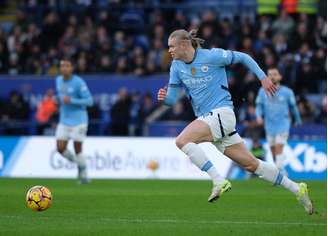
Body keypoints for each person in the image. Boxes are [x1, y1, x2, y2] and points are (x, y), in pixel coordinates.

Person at [157, 29, 313, 214]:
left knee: (182, 141)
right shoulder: (176, 66)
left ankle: (218, 180)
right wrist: (164, 98)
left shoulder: (212, 56)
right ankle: (297, 188)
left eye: (172, 46)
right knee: (252, 165)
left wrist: (263, 78)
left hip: (222, 113)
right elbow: (172, 98)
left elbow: (244, 58)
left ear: (183, 45)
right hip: (209, 119)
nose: (170, 51)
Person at [255, 67, 302, 173]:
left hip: (283, 124)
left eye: (275, 74)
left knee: (278, 146)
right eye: (269, 74)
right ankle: (281, 169)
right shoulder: (262, 91)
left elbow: (293, 107)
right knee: (273, 150)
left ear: (280, 77)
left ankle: (279, 172)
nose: (272, 77)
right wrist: (258, 116)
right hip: (269, 125)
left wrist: (298, 120)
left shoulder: (287, 92)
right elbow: (258, 106)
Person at [55, 58, 93, 184]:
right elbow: (61, 97)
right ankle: (81, 165)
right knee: (60, 148)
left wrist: (72, 100)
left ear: (71, 68)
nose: (64, 68)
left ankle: (83, 174)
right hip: (64, 120)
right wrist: (56, 99)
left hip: (79, 120)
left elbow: (89, 101)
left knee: (78, 149)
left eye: (67, 66)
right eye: (62, 66)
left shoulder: (78, 82)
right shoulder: (58, 81)